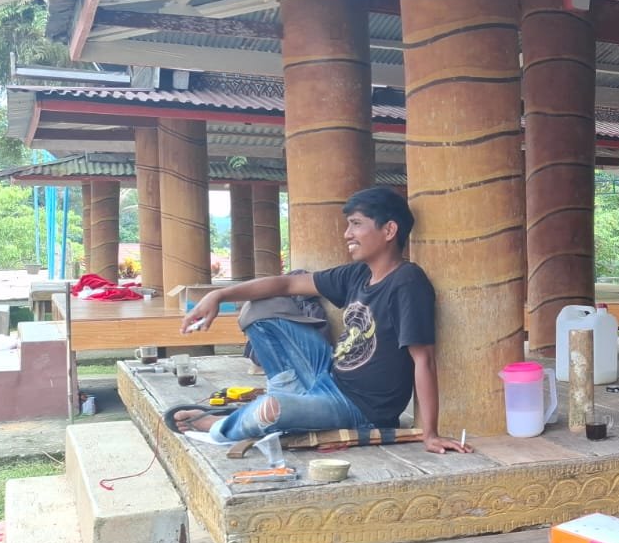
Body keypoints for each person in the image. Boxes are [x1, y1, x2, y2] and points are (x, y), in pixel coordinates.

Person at [167, 187, 467, 454]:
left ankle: (218, 427)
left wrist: (430, 433)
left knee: (271, 409)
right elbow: (286, 284)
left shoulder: (407, 282)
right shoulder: (358, 274)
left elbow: (424, 360)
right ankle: (288, 399)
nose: (347, 234)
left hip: (359, 408)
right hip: (326, 374)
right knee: (259, 308)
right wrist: (219, 295)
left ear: (389, 230)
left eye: (356, 224)